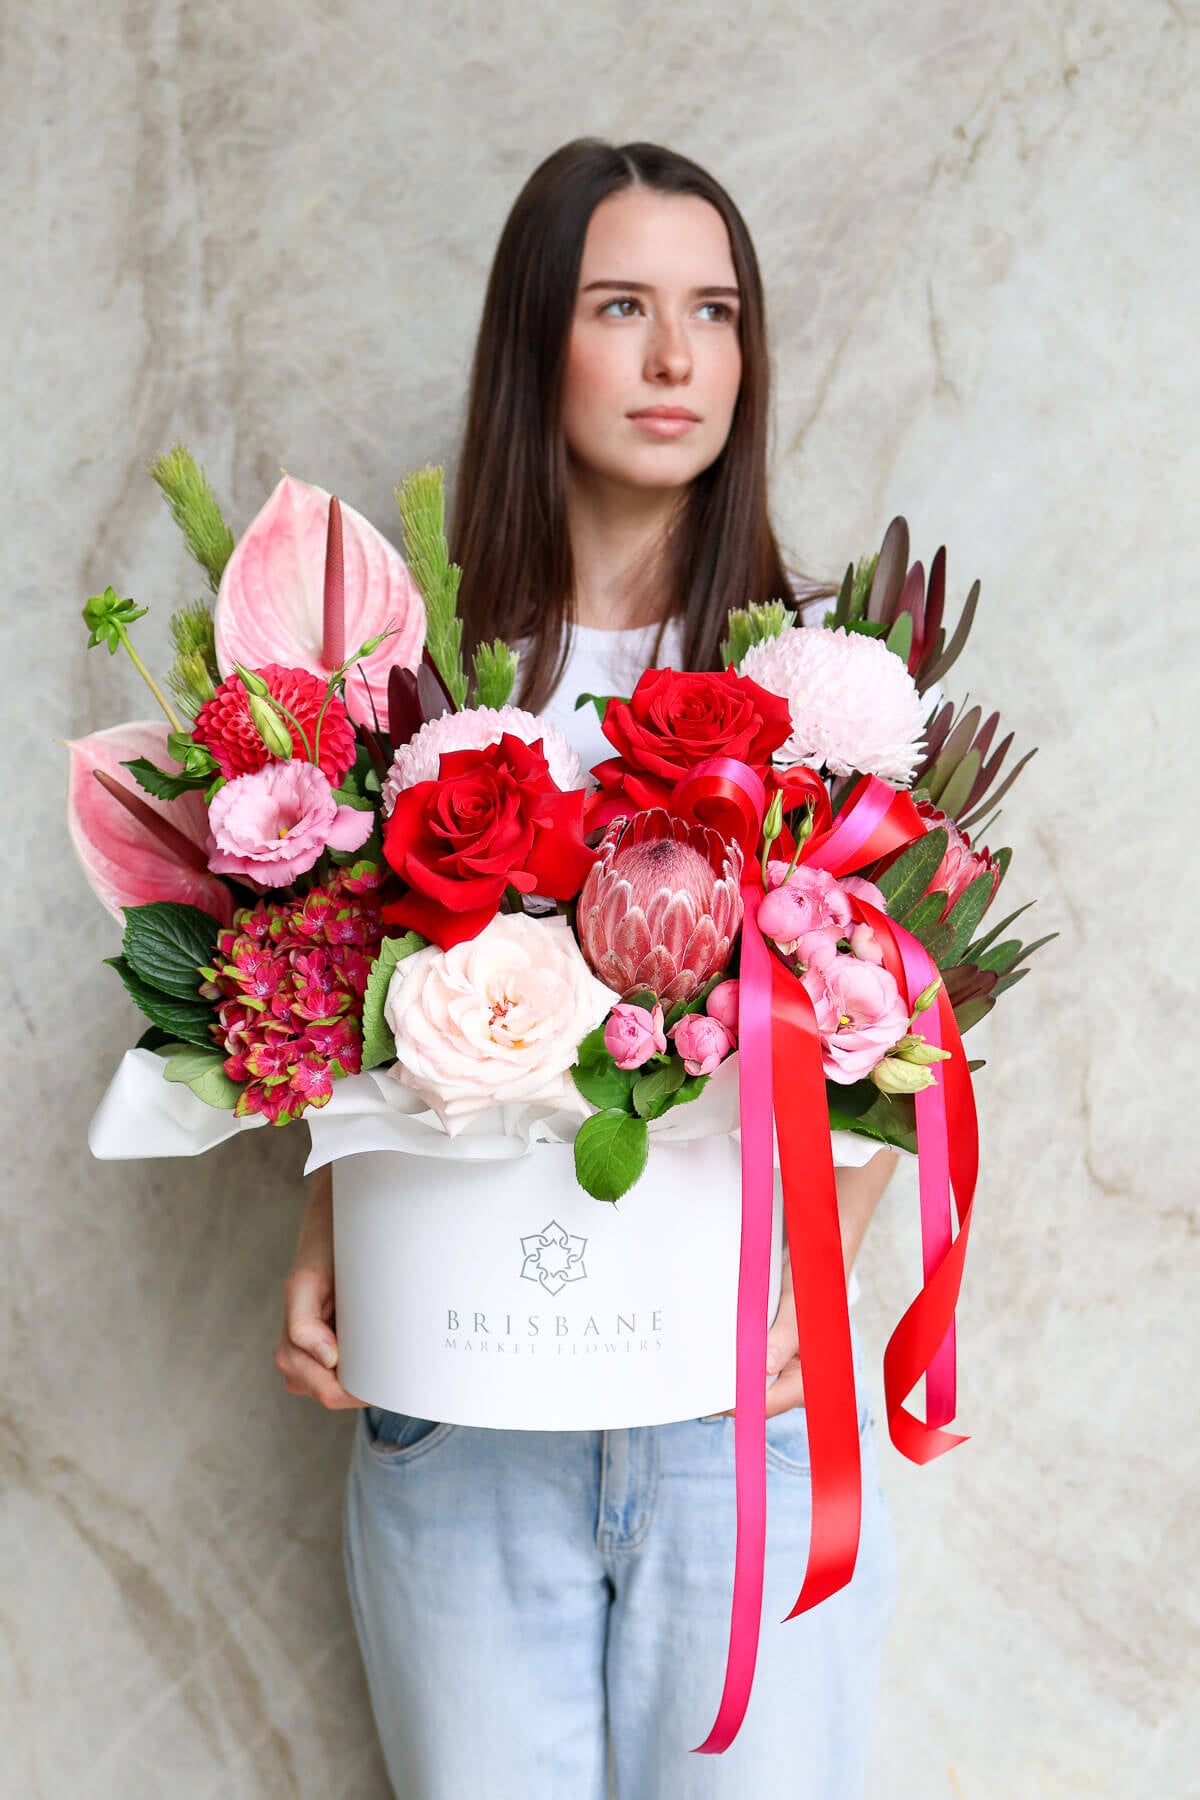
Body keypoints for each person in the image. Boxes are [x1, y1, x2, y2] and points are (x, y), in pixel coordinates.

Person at [275, 139, 900, 1800]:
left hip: (734, 1424)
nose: (678, 360)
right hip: (462, 1409)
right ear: (534, 340)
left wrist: (811, 1290)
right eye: (623, 307)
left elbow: (886, 1032)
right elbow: (319, 982)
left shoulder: (827, 679)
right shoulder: (389, 675)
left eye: (717, 312)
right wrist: (325, 1227)